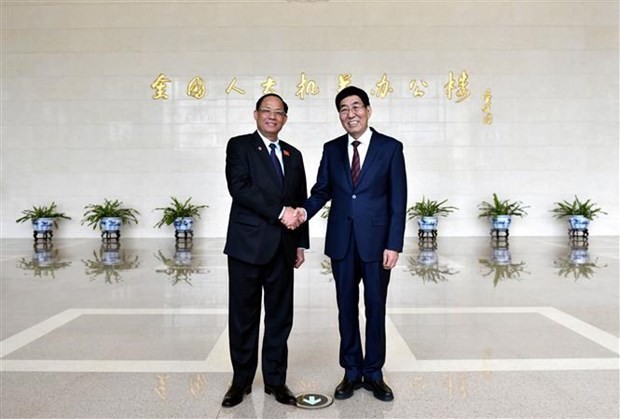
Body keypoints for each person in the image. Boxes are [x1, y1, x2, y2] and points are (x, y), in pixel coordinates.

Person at [287, 86, 407, 402]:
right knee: (346, 308)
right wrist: (303, 212)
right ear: (339, 115)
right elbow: (321, 191)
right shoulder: (332, 149)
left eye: (356, 107)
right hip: (342, 243)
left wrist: (394, 244)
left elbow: (398, 200)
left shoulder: (390, 148)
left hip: (378, 242)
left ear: (368, 110)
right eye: (343, 108)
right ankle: (351, 371)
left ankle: (375, 373)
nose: (350, 113)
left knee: (376, 308)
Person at [222, 93, 309, 407]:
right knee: (244, 317)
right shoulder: (240, 146)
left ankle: (275, 381)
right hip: (247, 246)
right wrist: (279, 212)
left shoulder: (293, 154)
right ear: (256, 114)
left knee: (279, 317)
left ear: (285, 118)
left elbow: (300, 199)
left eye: (279, 112)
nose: (272, 116)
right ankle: (240, 382)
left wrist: (300, 243)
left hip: (283, 248)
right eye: (266, 111)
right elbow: (240, 188)